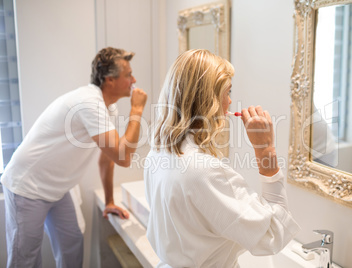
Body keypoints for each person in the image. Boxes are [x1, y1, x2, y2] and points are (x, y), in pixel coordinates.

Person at [144, 49, 300, 267]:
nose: (229, 102)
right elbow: (275, 233)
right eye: (227, 92)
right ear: (209, 101)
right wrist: (266, 151)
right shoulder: (203, 170)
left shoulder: (158, 152)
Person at [0, 47, 147, 268]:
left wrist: (109, 201)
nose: (134, 80)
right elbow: (123, 157)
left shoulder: (109, 107)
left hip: (58, 188)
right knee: (25, 261)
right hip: (27, 187)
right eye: (128, 75)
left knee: (72, 247)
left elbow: (107, 158)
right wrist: (137, 110)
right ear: (109, 80)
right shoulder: (89, 103)